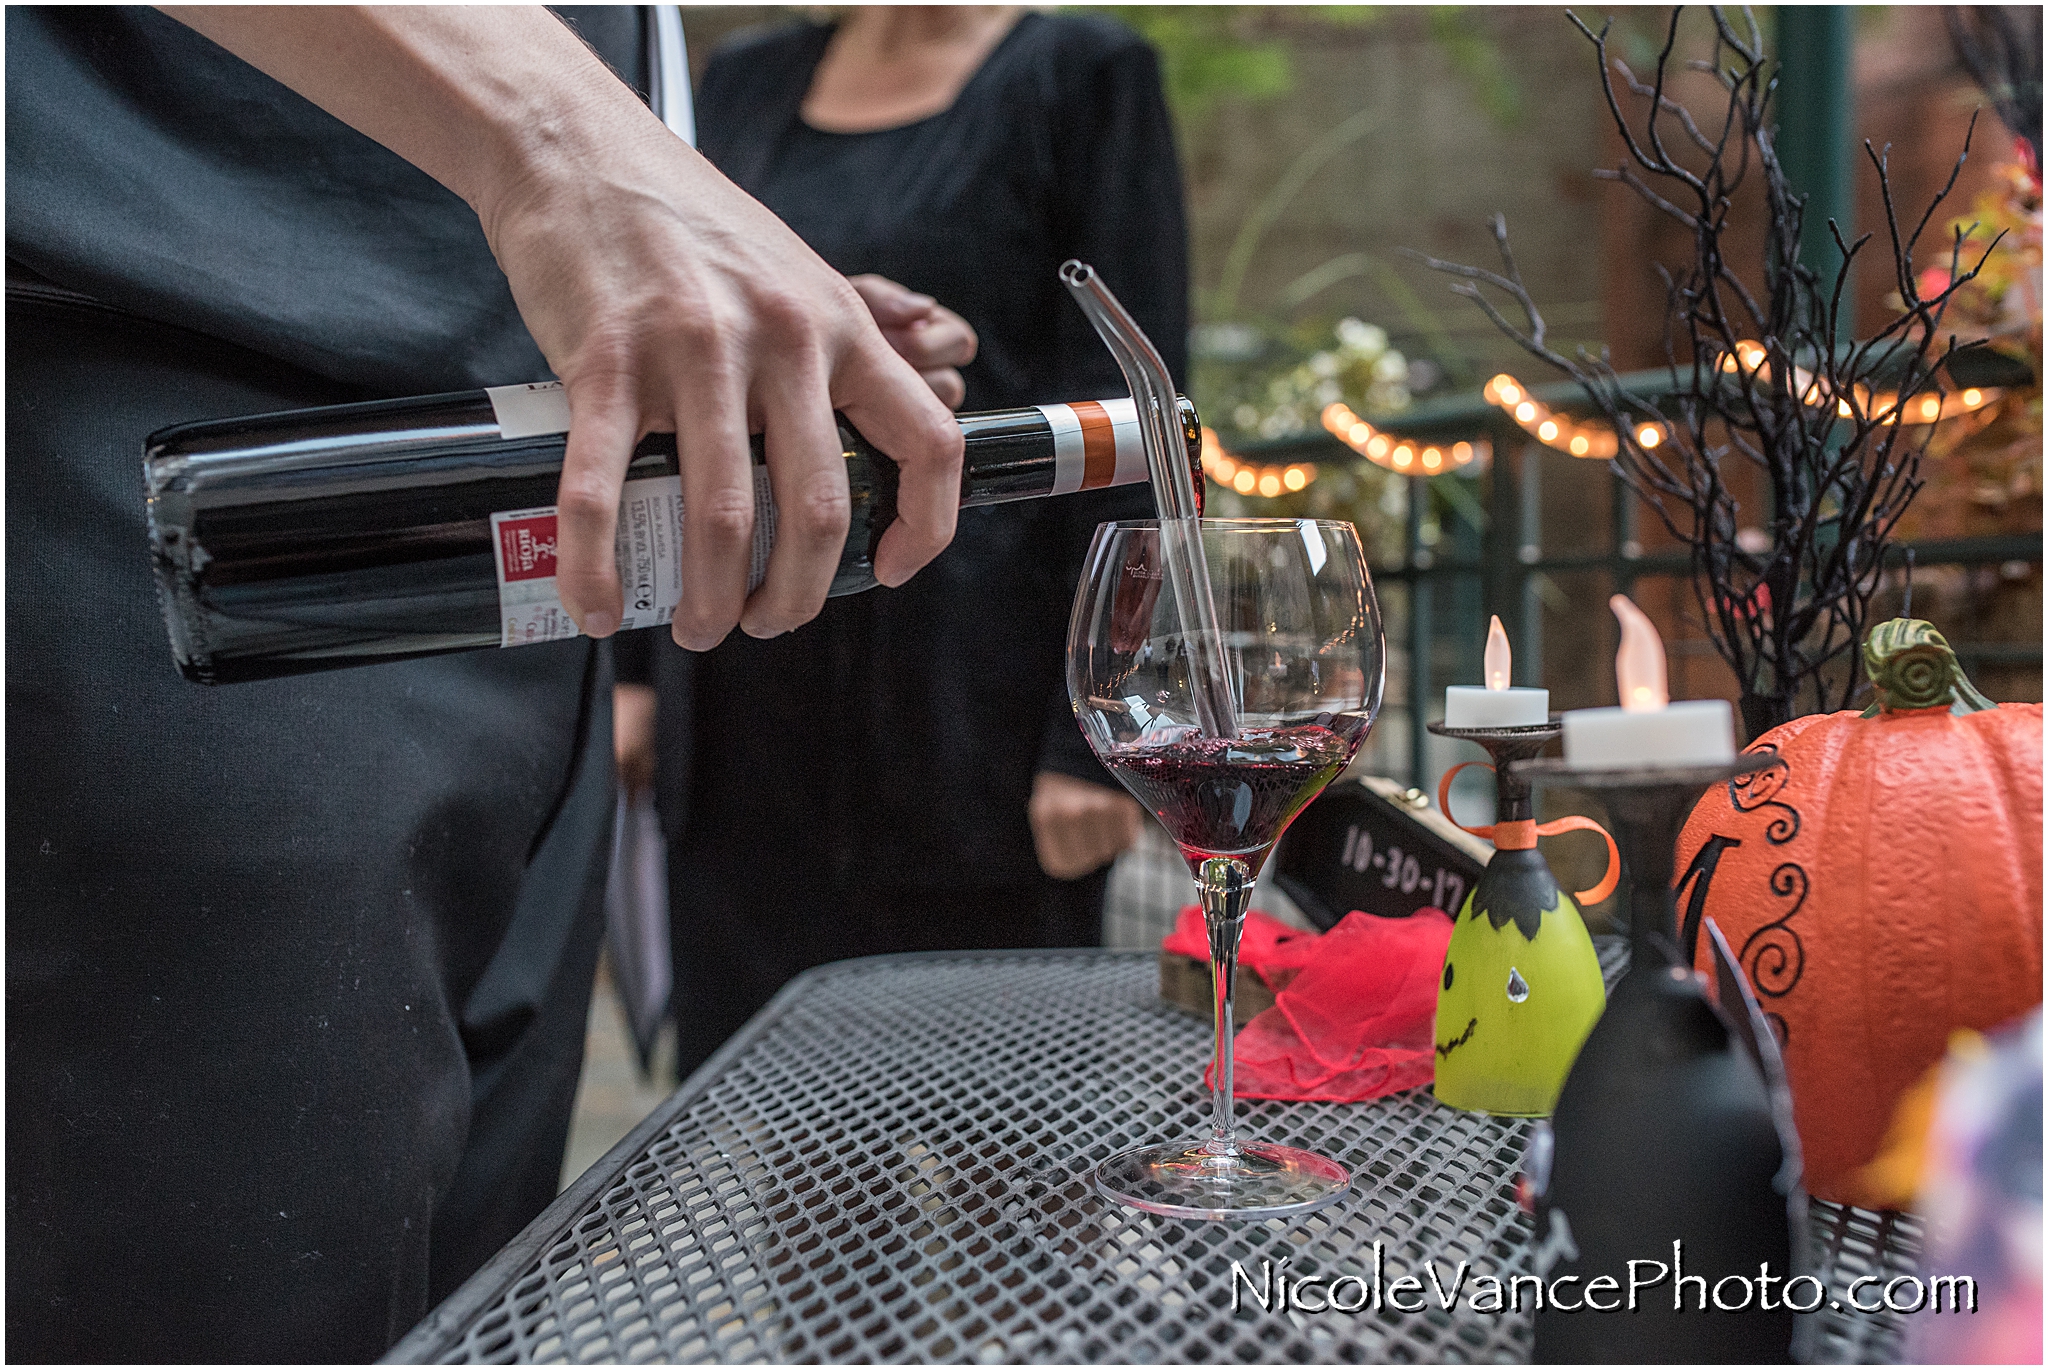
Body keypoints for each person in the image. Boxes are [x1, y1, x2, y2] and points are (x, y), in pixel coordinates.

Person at [5, 6, 962, 1361]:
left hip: (507, 532)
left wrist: (716, 325)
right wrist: (566, 150)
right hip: (184, 494)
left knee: (466, 1307)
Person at [615, 6, 1186, 1079]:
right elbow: (669, 375)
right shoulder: (736, 83)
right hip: (740, 716)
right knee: (779, 1143)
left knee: (1013, 1161)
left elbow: (1137, 419)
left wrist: (1099, 733)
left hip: (980, 720)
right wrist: (636, 667)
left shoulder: (1084, 74)